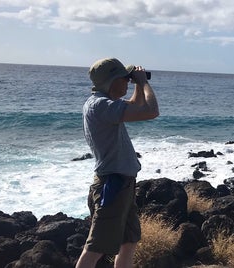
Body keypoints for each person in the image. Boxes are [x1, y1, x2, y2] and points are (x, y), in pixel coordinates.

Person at [76, 57, 159, 268]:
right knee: (96, 248)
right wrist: (143, 83)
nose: (126, 82)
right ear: (111, 81)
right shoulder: (101, 105)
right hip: (111, 185)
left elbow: (135, 104)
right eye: (124, 78)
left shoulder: (103, 103)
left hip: (122, 183)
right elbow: (151, 111)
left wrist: (136, 85)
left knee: (129, 241)